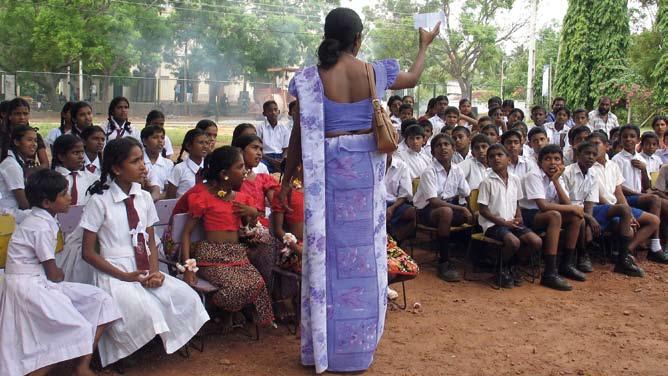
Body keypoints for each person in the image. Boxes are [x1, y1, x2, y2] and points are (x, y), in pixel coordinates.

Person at [279, 7, 439, 373]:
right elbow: (413, 78)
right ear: (358, 39)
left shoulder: (309, 80)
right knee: (364, 257)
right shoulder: (374, 72)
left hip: (326, 179)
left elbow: (299, 133)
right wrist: (423, 45)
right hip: (363, 176)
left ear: (327, 36)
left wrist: (287, 178)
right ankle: (357, 350)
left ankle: (324, 347)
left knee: (326, 259)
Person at [80, 138, 209, 367]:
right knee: (145, 309)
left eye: (142, 159)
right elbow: (88, 253)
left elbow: (149, 239)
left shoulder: (144, 197)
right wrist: (125, 276)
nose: (143, 166)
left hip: (142, 267)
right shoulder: (100, 201)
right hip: (113, 273)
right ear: (117, 168)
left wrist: (154, 272)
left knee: (184, 296)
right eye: (135, 161)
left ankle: (159, 341)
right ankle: (123, 352)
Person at [0, 169, 121, 376]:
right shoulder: (39, 226)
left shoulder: (43, 219)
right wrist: (61, 275)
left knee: (101, 300)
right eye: (64, 194)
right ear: (47, 203)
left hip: (37, 283)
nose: (69, 198)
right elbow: (53, 273)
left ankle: (81, 366)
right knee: (76, 327)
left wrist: (58, 277)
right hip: (28, 288)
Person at [180, 146, 275, 331]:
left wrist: (252, 212)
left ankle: (235, 313)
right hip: (212, 256)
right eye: (240, 167)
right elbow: (186, 233)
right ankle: (220, 312)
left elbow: (249, 226)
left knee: (257, 282)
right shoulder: (203, 198)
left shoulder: (242, 198)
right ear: (224, 173)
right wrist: (188, 267)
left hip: (237, 255)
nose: (245, 172)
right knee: (235, 286)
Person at [520, 144, 585, 290]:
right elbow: (543, 205)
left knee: (575, 217)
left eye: (557, 159)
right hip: (527, 214)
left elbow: (567, 203)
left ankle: (566, 264)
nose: (553, 162)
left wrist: (556, 181)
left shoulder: (557, 176)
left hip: (544, 215)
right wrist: (573, 207)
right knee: (555, 216)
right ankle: (549, 272)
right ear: (540, 162)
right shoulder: (533, 175)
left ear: (562, 162)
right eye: (548, 159)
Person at [478, 144, 542, 288]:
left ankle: (513, 265)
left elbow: (517, 203)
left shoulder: (514, 179)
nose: (496, 158)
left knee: (536, 241)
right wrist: (503, 223)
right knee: (514, 242)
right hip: (493, 224)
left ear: (508, 159)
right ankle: (500, 268)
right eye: (492, 156)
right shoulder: (487, 182)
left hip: (512, 222)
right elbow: (483, 210)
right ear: (488, 161)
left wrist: (519, 217)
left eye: (500, 155)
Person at [412, 134, 472, 282]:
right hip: (426, 212)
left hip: (448, 208)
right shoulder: (429, 171)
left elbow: (467, 192)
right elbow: (433, 201)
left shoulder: (457, 169)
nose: (443, 148)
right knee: (447, 212)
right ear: (432, 152)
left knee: (472, 215)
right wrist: (462, 209)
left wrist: (470, 209)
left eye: (447, 144)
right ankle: (444, 262)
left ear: (453, 149)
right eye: (438, 145)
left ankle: (472, 257)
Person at [610, 125, 668, 261]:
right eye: (625, 136)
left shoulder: (641, 159)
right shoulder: (616, 160)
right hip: (624, 198)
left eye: (632, 136)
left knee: (656, 200)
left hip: (638, 197)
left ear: (637, 140)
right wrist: (638, 195)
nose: (628, 139)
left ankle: (632, 248)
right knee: (654, 199)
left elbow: (646, 185)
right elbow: (617, 187)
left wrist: (643, 170)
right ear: (620, 139)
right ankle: (655, 245)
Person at [52, 135, 98, 284]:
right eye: (75, 153)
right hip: (58, 235)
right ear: (61, 156)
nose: (80, 157)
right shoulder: (52, 179)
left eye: (81, 152)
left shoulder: (92, 178)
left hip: (82, 234)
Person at [0, 125, 37, 223]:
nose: (34, 144)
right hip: (6, 213)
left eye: (35, 140)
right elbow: (23, 203)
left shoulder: (17, 162)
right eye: (29, 140)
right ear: (16, 142)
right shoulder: (12, 165)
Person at [1, 97, 49, 167]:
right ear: (10, 116)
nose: (22, 117)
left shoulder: (35, 136)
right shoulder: (2, 136)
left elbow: (45, 164)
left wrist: (27, 172)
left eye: (25, 114)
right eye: (17, 114)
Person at [165, 128, 209, 198]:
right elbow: (170, 197)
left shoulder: (209, 168)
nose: (205, 146)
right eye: (201, 142)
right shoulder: (179, 169)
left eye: (207, 143)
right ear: (189, 146)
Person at [384, 153, 415, 242]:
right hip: (375, 204)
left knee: (414, 213)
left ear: (395, 148)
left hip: (395, 204)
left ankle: (397, 240)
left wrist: (392, 208)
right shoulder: (372, 164)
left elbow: (404, 194)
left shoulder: (402, 166)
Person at [141, 125, 174, 199]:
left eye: (162, 137)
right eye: (155, 137)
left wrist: (156, 196)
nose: (160, 141)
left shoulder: (168, 164)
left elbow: (168, 190)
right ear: (144, 141)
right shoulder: (138, 162)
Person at [257, 100, 290, 173]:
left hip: (280, 156)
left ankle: (287, 183)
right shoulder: (260, 128)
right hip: (265, 157)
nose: (273, 113)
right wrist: (273, 161)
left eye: (275, 110)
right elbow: (258, 149)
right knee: (260, 167)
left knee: (293, 164)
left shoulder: (284, 128)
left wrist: (283, 159)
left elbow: (286, 148)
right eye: (269, 110)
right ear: (264, 114)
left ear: (278, 111)